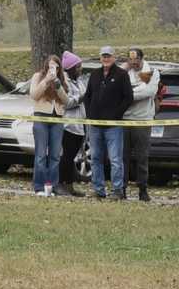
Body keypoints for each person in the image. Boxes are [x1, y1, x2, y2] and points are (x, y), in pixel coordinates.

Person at [82, 45, 134, 200]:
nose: (106, 59)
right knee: (95, 158)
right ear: (100, 58)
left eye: (108, 56)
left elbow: (128, 98)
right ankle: (98, 190)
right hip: (95, 125)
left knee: (115, 159)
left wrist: (117, 114)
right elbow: (87, 96)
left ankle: (117, 190)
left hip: (113, 126)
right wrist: (90, 113)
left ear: (114, 57)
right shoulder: (95, 74)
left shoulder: (122, 74)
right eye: (103, 56)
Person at [123, 47, 160, 202]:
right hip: (124, 119)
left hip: (143, 120)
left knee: (142, 157)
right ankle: (121, 188)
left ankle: (143, 190)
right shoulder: (124, 73)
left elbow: (149, 92)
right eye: (131, 59)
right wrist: (132, 91)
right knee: (122, 157)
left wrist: (127, 94)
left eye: (136, 59)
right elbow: (116, 90)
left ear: (142, 58)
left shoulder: (151, 72)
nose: (134, 62)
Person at [28, 54, 68, 196]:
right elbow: (34, 95)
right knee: (40, 155)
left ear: (59, 68)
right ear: (46, 66)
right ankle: (39, 187)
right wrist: (46, 80)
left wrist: (57, 84)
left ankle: (52, 186)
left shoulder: (63, 78)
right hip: (41, 117)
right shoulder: (37, 76)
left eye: (55, 67)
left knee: (55, 155)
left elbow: (66, 100)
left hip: (57, 118)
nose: (53, 69)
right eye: (50, 66)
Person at [58, 51, 87, 197]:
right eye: (78, 67)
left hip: (79, 125)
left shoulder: (80, 82)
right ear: (70, 68)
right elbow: (67, 103)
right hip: (68, 126)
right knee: (66, 157)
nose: (80, 69)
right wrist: (82, 98)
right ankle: (60, 184)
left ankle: (69, 186)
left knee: (71, 159)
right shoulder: (64, 83)